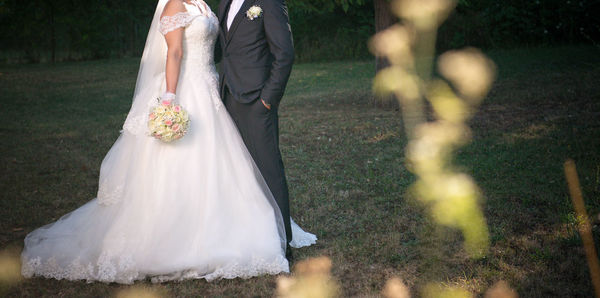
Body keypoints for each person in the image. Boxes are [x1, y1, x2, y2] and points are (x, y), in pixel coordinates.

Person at [20, 0, 315, 284]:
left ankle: (265, 232)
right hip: (190, 91)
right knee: (188, 164)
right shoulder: (175, 5)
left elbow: (249, 47)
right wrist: (170, 98)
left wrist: (264, 97)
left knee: (236, 164)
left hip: (216, 90)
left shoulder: (205, 5)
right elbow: (173, 53)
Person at [216, 0, 295, 258]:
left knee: (268, 168)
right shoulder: (224, 3)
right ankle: (249, 234)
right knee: (239, 171)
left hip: (257, 100)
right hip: (228, 95)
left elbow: (284, 52)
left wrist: (268, 98)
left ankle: (283, 243)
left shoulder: (269, 2)